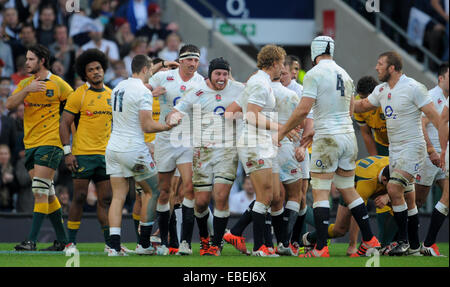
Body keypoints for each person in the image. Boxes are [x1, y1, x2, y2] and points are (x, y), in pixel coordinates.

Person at [278, 36, 380, 258]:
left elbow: (304, 109)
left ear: (315, 51)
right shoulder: (345, 73)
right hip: (347, 138)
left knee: (321, 191)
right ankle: (371, 238)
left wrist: (282, 130)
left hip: (327, 139)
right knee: (347, 188)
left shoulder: (314, 74)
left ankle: (321, 247)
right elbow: (351, 109)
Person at [354, 51, 443, 256]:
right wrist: (341, 100)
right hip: (395, 151)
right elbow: (362, 105)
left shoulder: (413, 88)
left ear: (392, 68)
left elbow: (434, 117)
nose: (376, 67)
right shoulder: (381, 89)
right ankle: (413, 246)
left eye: (380, 64)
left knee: (393, 189)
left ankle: (401, 241)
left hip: (413, 147)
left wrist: (444, 147)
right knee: (410, 200)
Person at [166, 57, 245, 256]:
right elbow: (176, 110)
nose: (222, 78)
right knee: (200, 202)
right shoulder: (198, 92)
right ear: (210, 74)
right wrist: (173, 117)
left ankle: (216, 245)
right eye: (218, 73)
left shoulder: (239, 89)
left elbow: (258, 97)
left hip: (228, 151)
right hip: (203, 151)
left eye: (225, 74)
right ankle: (204, 238)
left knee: (220, 195)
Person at [105, 54, 175, 256]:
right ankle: (144, 243)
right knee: (153, 190)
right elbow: (147, 126)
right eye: (151, 70)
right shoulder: (143, 92)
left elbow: (128, 112)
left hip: (113, 148)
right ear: (145, 69)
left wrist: (161, 64)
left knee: (118, 197)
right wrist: (167, 126)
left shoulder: (118, 87)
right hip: (133, 149)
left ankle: (114, 247)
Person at [7, 44, 73, 251]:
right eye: (26, 59)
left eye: (30, 59)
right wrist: (27, 90)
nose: (26, 63)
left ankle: (31, 241)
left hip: (51, 143)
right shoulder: (26, 83)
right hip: (31, 144)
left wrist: (71, 142)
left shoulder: (58, 84)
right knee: (48, 192)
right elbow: (9, 105)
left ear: (42, 61)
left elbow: (74, 106)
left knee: (39, 190)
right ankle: (63, 241)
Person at [147, 44, 204, 256]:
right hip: (164, 140)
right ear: (180, 60)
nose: (193, 64)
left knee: (187, 189)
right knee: (165, 192)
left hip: (188, 141)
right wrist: (152, 90)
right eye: (189, 60)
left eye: (196, 60)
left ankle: (184, 243)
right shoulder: (165, 77)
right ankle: (164, 241)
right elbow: (139, 84)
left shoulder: (201, 82)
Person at [232, 44, 287, 257]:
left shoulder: (261, 81)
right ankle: (259, 247)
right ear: (273, 63)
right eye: (281, 63)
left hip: (262, 142)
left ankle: (256, 242)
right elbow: (252, 115)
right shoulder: (259, 83)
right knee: (264, 194)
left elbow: (237, 110)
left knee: (272, 194)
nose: (282, 68)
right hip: (254, 144)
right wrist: (280, 128)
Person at [59, 49, 113, 253]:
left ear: (103, 69)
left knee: (105, 200)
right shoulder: (78, 95)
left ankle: (110, 244)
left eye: (98, 68)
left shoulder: (111, 94)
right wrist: (67, 152)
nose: (96, 72)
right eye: (91, 70)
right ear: (85, 74)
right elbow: (64, 124)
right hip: (82, 155)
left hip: (106, 155)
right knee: (80, 197)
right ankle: (70, 243)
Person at [302, 156, 398, 256]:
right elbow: (357, 214)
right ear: (384, 179)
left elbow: (403, 190)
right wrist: (352, 245)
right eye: (392, 184)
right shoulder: (366, 182)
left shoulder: (394, 165)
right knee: (340, 230)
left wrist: (387, 196)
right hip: (351, 187)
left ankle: (398, 243)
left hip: (371, 178)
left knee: (398, 200)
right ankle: (310, 238)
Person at [421, 75, 449, 256]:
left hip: (444, 154)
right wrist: (432, 149)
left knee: (447, 198)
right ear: (441, 78)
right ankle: (405, 241)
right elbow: (422, 123)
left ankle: (428, 243)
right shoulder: (430, 96)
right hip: (431, 156)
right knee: (416, 200)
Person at [353, 76, 389, 156]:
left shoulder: (387, 101)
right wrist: (375, 158)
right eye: (361, 98)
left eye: (365, 99)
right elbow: (366, 133)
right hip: (381, 144)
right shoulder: (358, 104)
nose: (363, 102)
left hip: (400, 144)